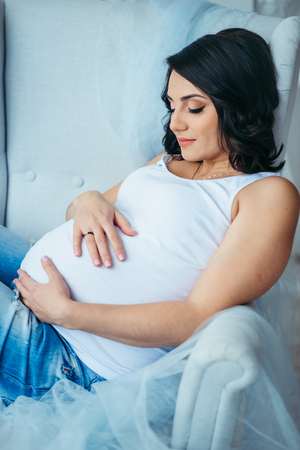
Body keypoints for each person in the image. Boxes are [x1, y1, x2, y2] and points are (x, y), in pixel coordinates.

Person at [0, 28, 299, 410]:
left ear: (238, 105)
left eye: (193, 107)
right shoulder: (166, 162)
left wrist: (68, 313)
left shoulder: (267, 194)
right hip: (38, 290)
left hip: (70, 356)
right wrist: (87, 200)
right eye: (172, 106)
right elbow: (78, 215)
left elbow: (197, 318)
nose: (176, 123)